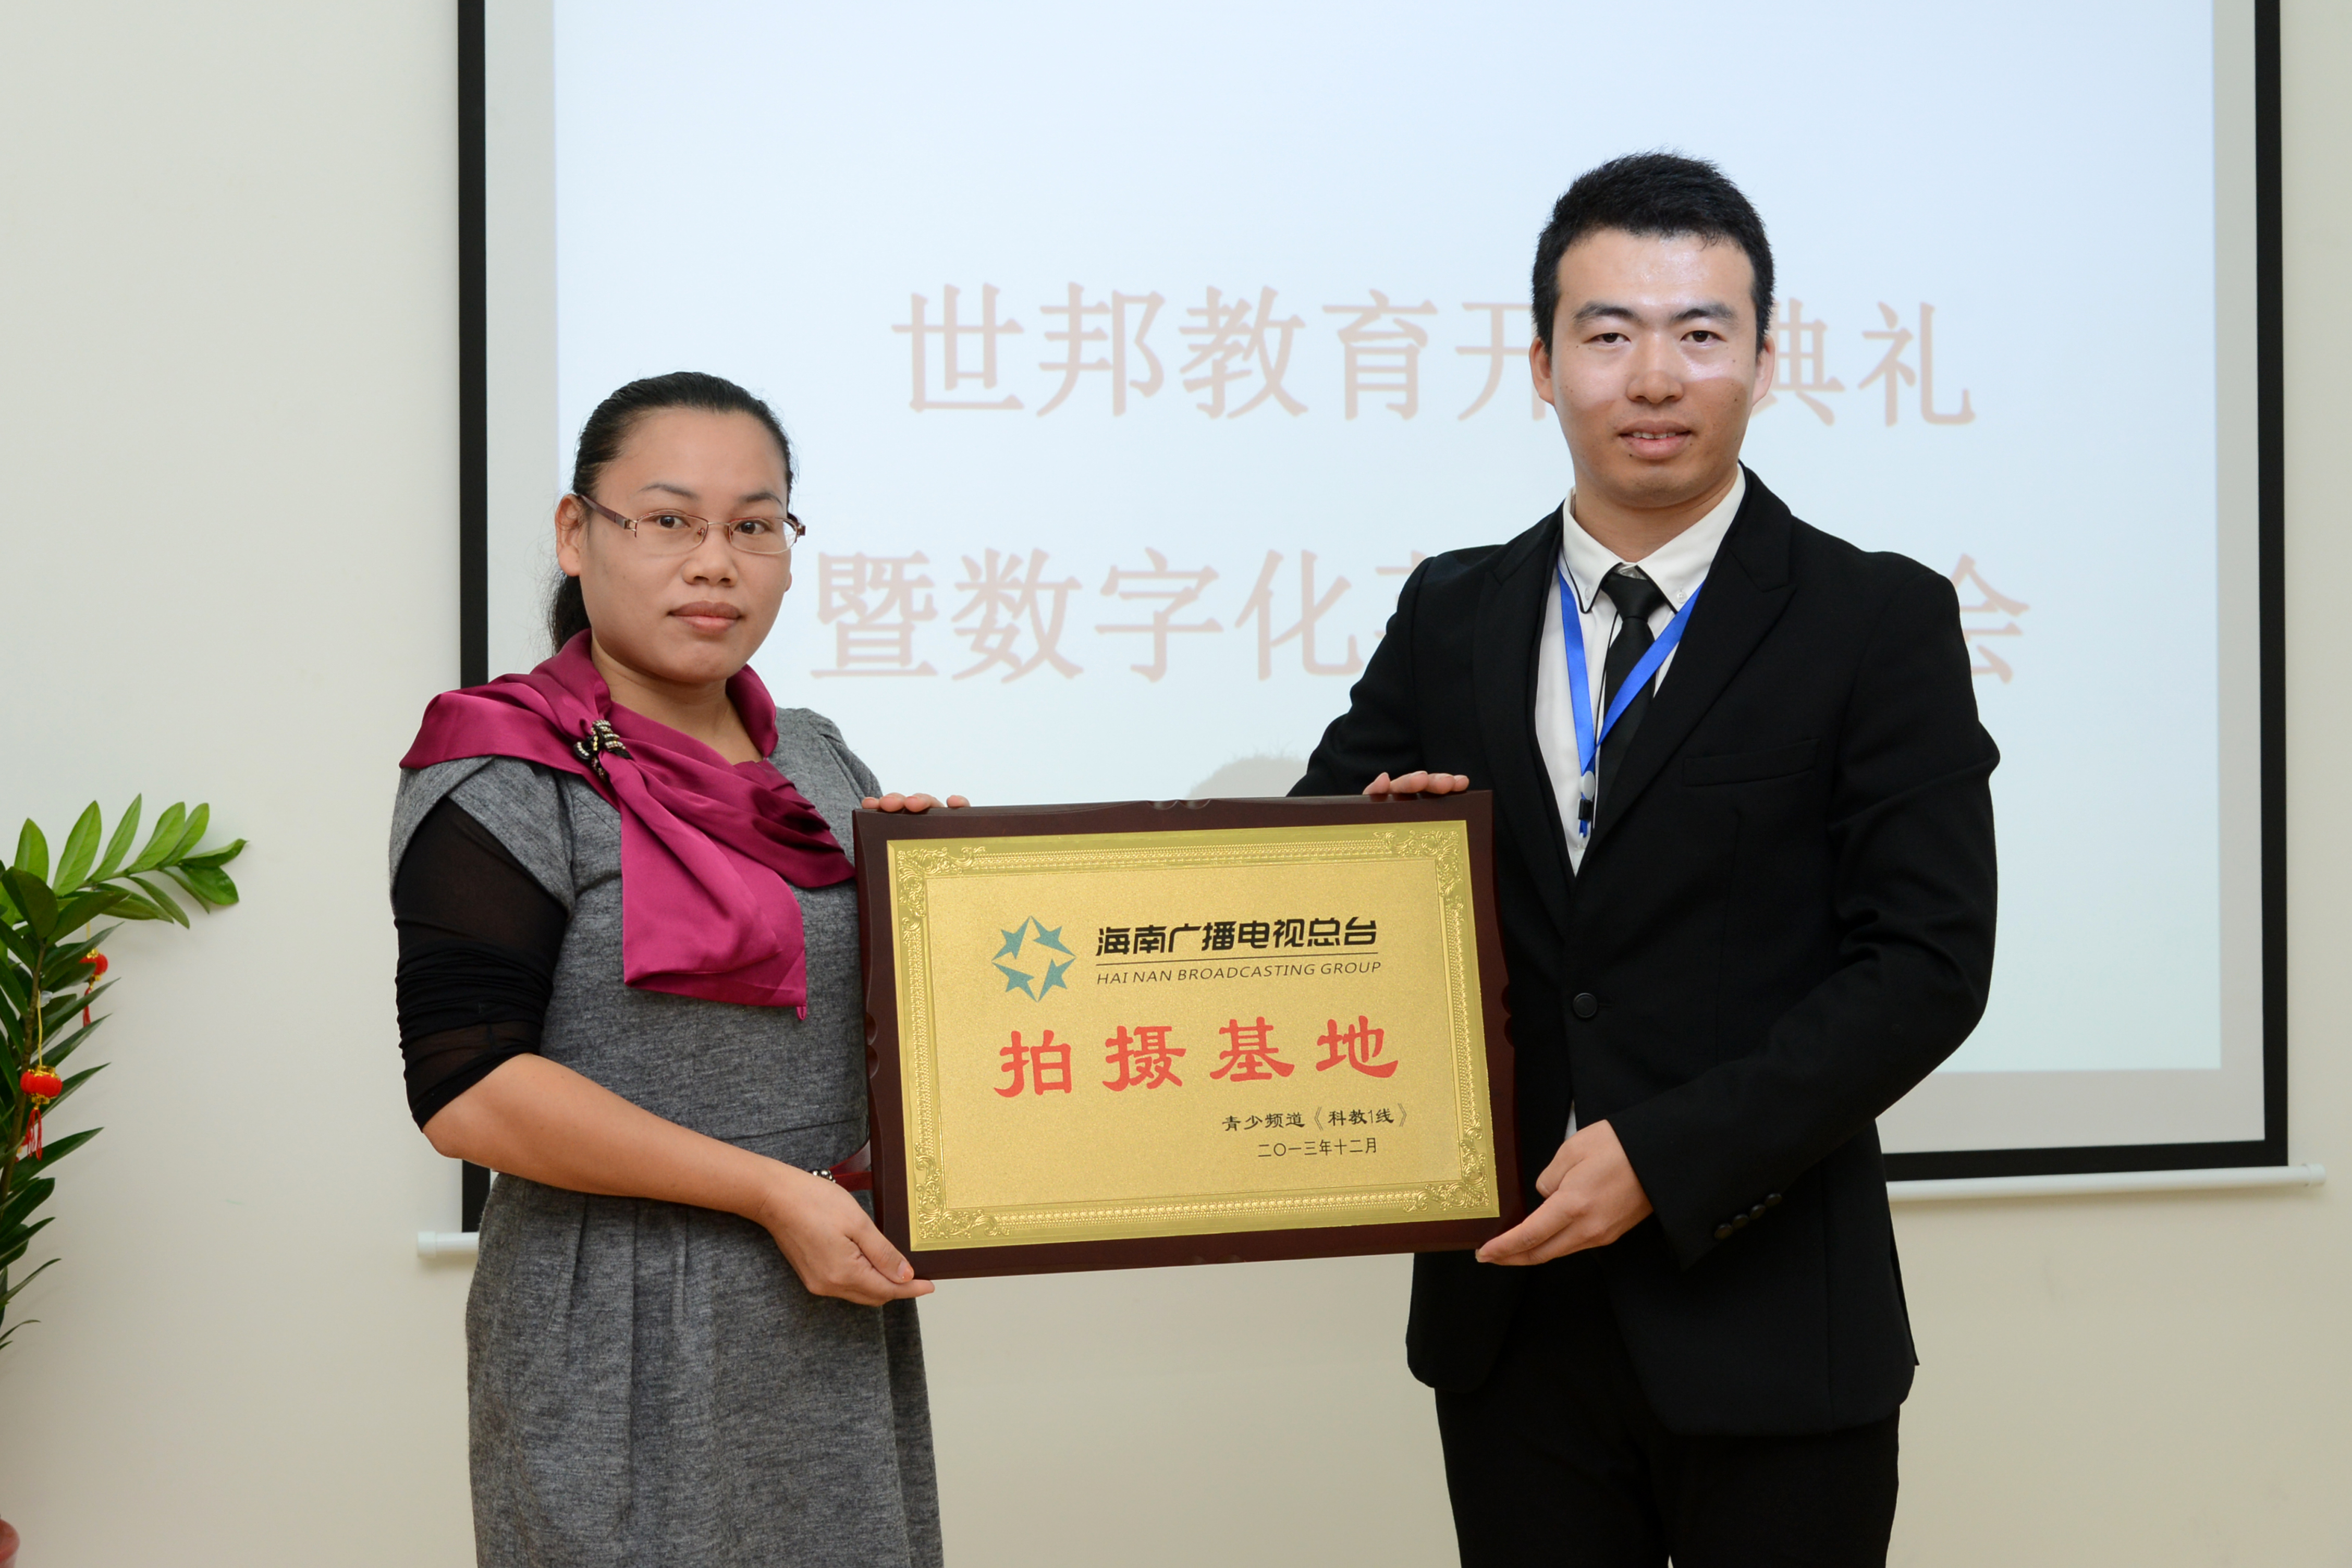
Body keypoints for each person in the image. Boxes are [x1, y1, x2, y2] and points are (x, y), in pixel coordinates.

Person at [1292, 155, 1999, 1566]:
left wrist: (1666, 1159)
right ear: (1543, 364)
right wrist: (1376, 838)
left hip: (1770, 1316)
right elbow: (1307, 857)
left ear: (1764, 360)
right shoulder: (1451, 610)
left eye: (1701, 333)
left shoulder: (1875, 619)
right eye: (1609, 334)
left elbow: (1927, 967)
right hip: (1511, 1318)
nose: (1656, 377)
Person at [389, 371, 961, 1567]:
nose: (715, 563)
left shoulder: (818, 758)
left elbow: (860, 1037)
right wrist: (770, 1191)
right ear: (576, 533)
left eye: (754, 526)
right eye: (668, 520)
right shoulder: (500, 764)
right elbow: (470, 1090)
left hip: (825, 1296)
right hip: (618, 1314)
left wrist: (944, 901)